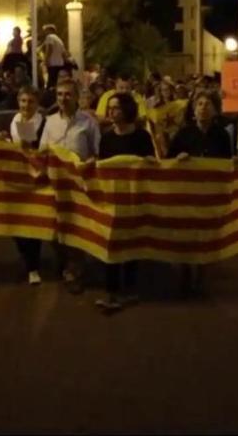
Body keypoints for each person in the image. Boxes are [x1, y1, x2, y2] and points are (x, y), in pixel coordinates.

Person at [96, 93, 157, 313]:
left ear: (127, 110)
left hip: (133, 199)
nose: (111, 112)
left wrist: (149, 161)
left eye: (116, 108)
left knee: (131, 242)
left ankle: (130, 289)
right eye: (110, 108)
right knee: (111, 243)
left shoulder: (141, 137)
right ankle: (111, 291)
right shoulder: (107, 137)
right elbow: (102, 166)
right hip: (112, 200)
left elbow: (150, 162)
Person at [168, 91, 233, 296]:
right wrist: (179, 158)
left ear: (215, 110)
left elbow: (226, 161)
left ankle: (201, 277)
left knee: (205, 236)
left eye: (208, 104)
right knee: (187, 234)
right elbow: (169, 160)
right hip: (187, 193)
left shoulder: (221, 134)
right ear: (193, 110)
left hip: (209, 194)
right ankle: (185, 274)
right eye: (199, 104)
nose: (203, 107)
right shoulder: (184, 134)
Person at [39, 78, 101, 294]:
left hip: (78, 185)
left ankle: (75, 270)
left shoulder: (88, 122)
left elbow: (96, 151)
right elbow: (42, 150)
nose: (63, 99)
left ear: (76, 97)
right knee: (54, 228)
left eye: (67, 94)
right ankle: (65, 261)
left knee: (76, 228)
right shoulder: (49, 121)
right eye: (59, 95)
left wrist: (90, 164)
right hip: (55, 184)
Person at [0, 86, 46, 285]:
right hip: (17, 176)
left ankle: (32, 266)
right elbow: (15, 146)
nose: (26, 105)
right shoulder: (16, 120)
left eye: (30, 102)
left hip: (37, 177)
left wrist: (32, 148)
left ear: (37, 103)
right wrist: (6, 141)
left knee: (33, 220)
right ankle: (27, 257)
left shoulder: (43, 123)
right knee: (14, 220)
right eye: (23, 101)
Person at [39, 24, 67, 89]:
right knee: (55, 81)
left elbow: (49, 48)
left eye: (46, 30)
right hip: (59, 63)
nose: (45, 32)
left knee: (51, 81)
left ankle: (49, 94)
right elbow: (63, 52)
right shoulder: (59, 39)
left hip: (53, 63)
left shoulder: (50, 37)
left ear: (49, 30)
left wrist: (46, 60)